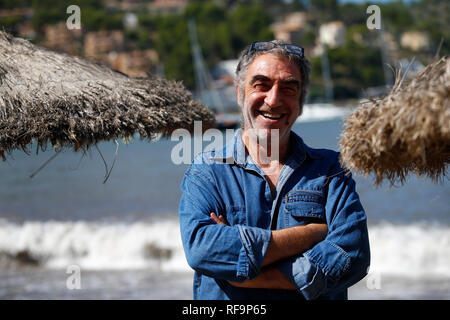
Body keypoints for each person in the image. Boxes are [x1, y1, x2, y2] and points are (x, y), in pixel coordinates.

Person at [178, 40, 370, 300]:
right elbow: (202, 249)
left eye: (289, 88)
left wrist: (248, 273)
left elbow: (352, 255)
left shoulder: (332, 170)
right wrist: (311, 234)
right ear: (239, 92)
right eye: (261, 85)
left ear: (301, 101)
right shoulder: (207, 172)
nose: (274, 99)